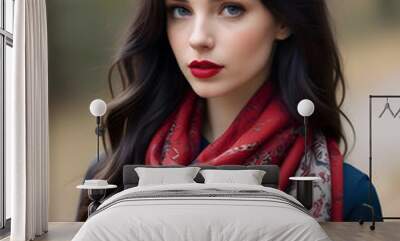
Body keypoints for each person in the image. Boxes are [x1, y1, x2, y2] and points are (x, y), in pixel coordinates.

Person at [76, 0, 382, 222]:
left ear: (283, 21)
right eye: (180, 10)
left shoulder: (352, 195)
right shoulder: (110, 174)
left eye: (231, 8)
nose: (197, 38)